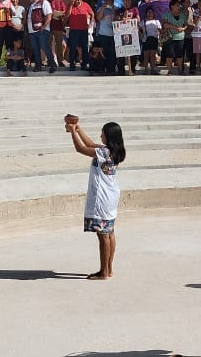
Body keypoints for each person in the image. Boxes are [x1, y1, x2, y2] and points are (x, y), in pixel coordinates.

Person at [67, 118, 126, 280]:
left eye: (103, 133)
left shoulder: (104, 152)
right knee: (110, 233)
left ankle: (103, 272)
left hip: (102, 197)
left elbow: (81, 148)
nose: (101, 136)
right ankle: (109, 269)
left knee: (103, 235)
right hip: (111, 196)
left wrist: (72, 131)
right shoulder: (113, 150)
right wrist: (78, 129)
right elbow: (90, 144)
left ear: (109, 136)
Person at [24, 0, 57, 73]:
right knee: (35, 49)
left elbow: (49, 15)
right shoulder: (31, 5)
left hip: (41, 30)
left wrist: (44, 26)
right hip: (32, 31)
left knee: (45, 47)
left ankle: (53, 64)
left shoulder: (44, 2)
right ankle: (38, 66)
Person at [66, 0, 94, 71]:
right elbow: (67, 15)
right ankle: (72, 64)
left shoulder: (86, 5)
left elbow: (92, 14)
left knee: (85, 47)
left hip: (84, 30)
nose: (77, 2)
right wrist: (71, 5)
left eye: (79, 0)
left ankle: (84, 64)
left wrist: (91, 24)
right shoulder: (70, 5)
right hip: (74, 30)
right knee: (72, 47)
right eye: (76, 0)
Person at [47, 0, 68, 69]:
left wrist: (61, 16)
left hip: (58, 26)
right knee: (48, 45)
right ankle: (50, 60)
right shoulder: (45, 2)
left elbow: (65, 13)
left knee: (59, 44)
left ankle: (60, 60)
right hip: (48, 27)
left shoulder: (60, 2)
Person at [140, 7, 162, 75]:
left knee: (153, 55)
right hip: (146, 40)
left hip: (154, 39)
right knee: (146, 56)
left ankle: (153, 69)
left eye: (151, 12)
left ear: (153, 13)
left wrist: (159, 32)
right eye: (148, 12)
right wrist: (141, 34)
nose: (149, 14)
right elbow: (139, 29)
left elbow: (160, 30)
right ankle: (145, 70)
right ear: (146, 14)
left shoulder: (156, 21)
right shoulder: (143, 21)